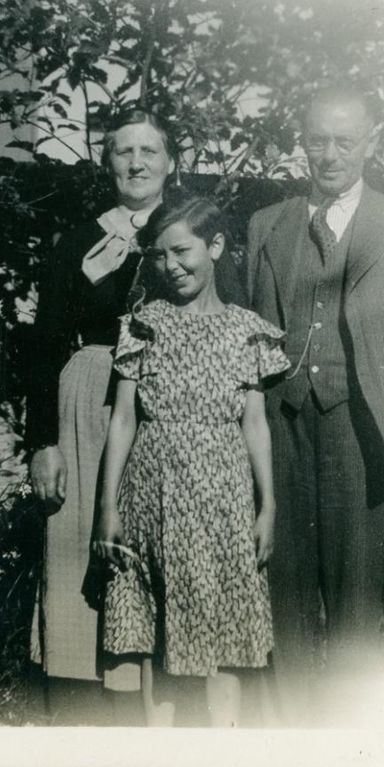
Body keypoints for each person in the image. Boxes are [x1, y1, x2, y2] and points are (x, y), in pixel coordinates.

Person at [245, 85, 384, 722]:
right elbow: (250, 338)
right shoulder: (268, 224)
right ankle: (291, 740)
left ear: (372, 143)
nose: (329, 155)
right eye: (317, 141)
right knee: (283, 592)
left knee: (356, 595)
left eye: (344, 141)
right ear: (302, 144)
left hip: (363, 433)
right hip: (280, 431)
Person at [93, 196, 289, 727]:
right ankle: (161, 753)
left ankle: (220, 750)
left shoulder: (248, 330)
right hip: (154, 491)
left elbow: (255, 424)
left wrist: (267, 506)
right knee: (159, 627)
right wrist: (108, 506)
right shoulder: (143, 325)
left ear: (216, 246)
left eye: (182, 251)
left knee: (226, 626)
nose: (170, 266)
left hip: (224, 495)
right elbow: (124, 419)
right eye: (158, 256)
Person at [24, 108, 177, 721]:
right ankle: (78, 701)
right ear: (107, 162)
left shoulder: (187, 235)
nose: (136, 163)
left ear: (171, 162)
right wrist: (43, 442)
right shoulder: (78, 241)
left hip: (164, 399)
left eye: (148, 151)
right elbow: (43, 342)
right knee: (77, 539)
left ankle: (152, 694)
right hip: (88, 401)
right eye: (123, 152)